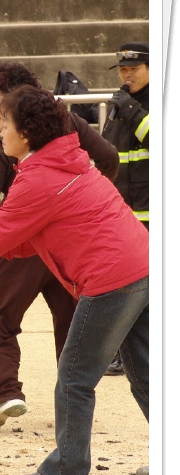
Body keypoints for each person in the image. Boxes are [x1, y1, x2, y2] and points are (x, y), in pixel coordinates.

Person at [0, 85, 149, 475]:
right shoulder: (64, 160)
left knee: (74, 377)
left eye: (5, 124)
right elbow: (25, 234)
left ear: (26, 134)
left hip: (112, 279)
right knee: (145, 369)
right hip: (142, 266)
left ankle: (67, 470)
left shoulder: (38, 177)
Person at [0, 61, 119, 428]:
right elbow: (109, 158)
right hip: (66, 246)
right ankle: (71, 400)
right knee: (69, 324)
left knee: (2, 323)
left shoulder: (3, 144)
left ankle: (7, 393)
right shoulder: (67, 124)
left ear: (13, 101)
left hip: (22, 245)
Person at [100, 41, 150, 378]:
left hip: (154, 213)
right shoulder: (119, 105)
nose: (125, 75)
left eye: (132, 69)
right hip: (122, 216)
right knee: (124, 288)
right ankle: (121, 352)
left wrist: (133, 111)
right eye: (121, 69)